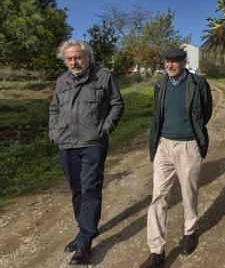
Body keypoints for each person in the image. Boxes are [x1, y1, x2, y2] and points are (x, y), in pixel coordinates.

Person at [49, 39, 124, 265]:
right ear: (65, 60)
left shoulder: (103, 77)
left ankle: (84, 243)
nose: (74, 62)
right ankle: (86, 230)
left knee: (90, 188)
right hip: (66, 144)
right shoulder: (62, 81)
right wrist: (54, 131)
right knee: (77, 190)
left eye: (78, 57)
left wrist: (106, 128)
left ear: (87, 57)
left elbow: (117, 103)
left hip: (93, 143)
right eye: (69, 58)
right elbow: (54, 108)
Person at [141, 47, 213, 268]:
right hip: (163, 145)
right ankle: (157, 251)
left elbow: (206, 112)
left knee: (188, 192)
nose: (169, 65)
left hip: (188, 146)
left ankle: (189, 232)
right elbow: (158, 114)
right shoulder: (160, 85)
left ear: (184, 62)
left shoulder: (198, 84)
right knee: (158, 196)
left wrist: (192, 133)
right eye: (166, 61)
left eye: (174, 61)